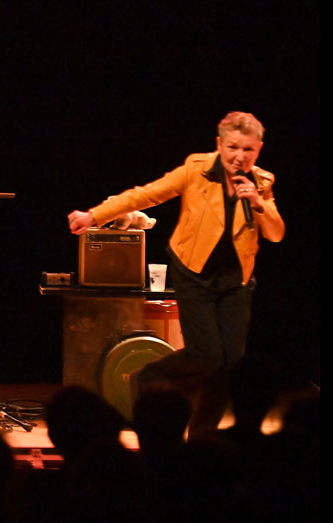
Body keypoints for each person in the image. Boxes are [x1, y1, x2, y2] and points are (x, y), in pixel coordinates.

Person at [67, 111, 284, 435]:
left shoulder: (261, 183)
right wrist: (95, 215)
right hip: (194, 274)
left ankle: (201, 436)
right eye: (233, 148)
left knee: (230, 364)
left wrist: (257, 203)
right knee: (207, 354)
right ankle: (150, 378)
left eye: (248, 150)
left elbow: (276, 234)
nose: (240, 157)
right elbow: (146, 194)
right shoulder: (197, 170)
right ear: (219, 144)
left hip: (236, 282)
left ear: (259, 149)